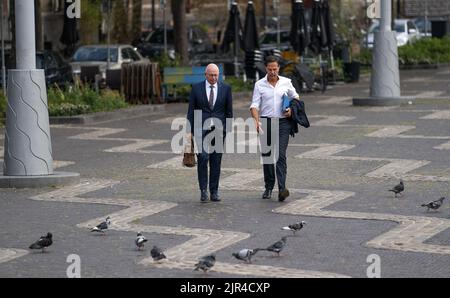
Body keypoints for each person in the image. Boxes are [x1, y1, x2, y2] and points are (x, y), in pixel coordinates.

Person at [249, 56, 300, 202]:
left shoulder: (286, 82)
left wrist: (291, 109)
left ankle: (282, 188)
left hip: (283, 123)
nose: (272, 72)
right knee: (267, 157)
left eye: (275, 69)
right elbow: (254, 105)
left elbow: (296, 97)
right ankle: (268, 187)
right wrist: (256, 121)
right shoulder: (259, 85)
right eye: (270, 69)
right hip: (266, 122)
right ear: (266, 69)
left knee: (281, 155)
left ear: (278, 68)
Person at [187, 64, 233, 203]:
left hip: (219, 130)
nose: (214, 78)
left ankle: (214, 191)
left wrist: (227, 130)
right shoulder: (196, 89)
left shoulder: (226, 88)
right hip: (201, 129)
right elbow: (191, 111)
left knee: (216, 161)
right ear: (205, 74)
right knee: (203, 159)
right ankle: (203, 191)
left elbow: (229, 111)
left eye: (216, 75)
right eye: (211, 75)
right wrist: (189, 131)